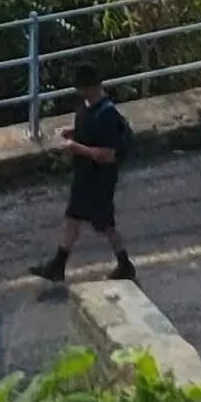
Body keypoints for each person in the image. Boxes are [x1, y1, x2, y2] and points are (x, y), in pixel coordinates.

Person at [33, 58, 136, 282]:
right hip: (85, 175)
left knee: (105, 224)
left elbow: (108, 154)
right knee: (74, 217)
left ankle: (124, 263)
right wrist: (71, 131)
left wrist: (75, 148)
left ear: (89, 87)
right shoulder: (88, 106)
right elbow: (87, 127)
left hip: (99, 179)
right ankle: (58, 265)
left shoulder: (107, 115)